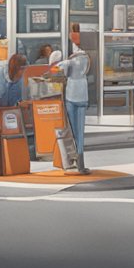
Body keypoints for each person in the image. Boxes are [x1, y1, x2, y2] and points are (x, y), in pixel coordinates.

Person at [51, 46, 91, 174]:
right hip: (83, 96)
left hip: (71, 97)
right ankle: (81, 164)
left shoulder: (69, 62)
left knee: (72, 131)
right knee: (80, 133)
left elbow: (53, 70)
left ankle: (72, 160)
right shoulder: (87, 62)